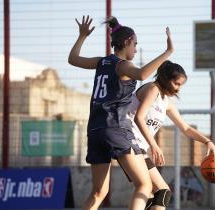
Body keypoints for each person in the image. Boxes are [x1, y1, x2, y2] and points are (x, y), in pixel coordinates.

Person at [68, 15, 173, 210]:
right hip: (116, 128)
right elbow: (142, 74)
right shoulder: (122, 65)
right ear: (126, 43)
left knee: (98, 192)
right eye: (135, 44)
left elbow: (72, 59)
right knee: (144, 185)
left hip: (95, 131)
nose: (135, 48)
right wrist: (168, 52)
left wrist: (82, 36)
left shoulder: (102, 62)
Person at [126, 60, 215, 210]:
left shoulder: (166, 102)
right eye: (176, 84)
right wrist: (154, 145)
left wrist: (208, 142)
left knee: (156, 195)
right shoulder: (153, 89)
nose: (178, 89)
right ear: (166, 79)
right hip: (128, 143)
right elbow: (139, 117)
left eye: (181, 85)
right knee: (159, 191)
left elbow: (185, 128)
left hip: (138, 148)